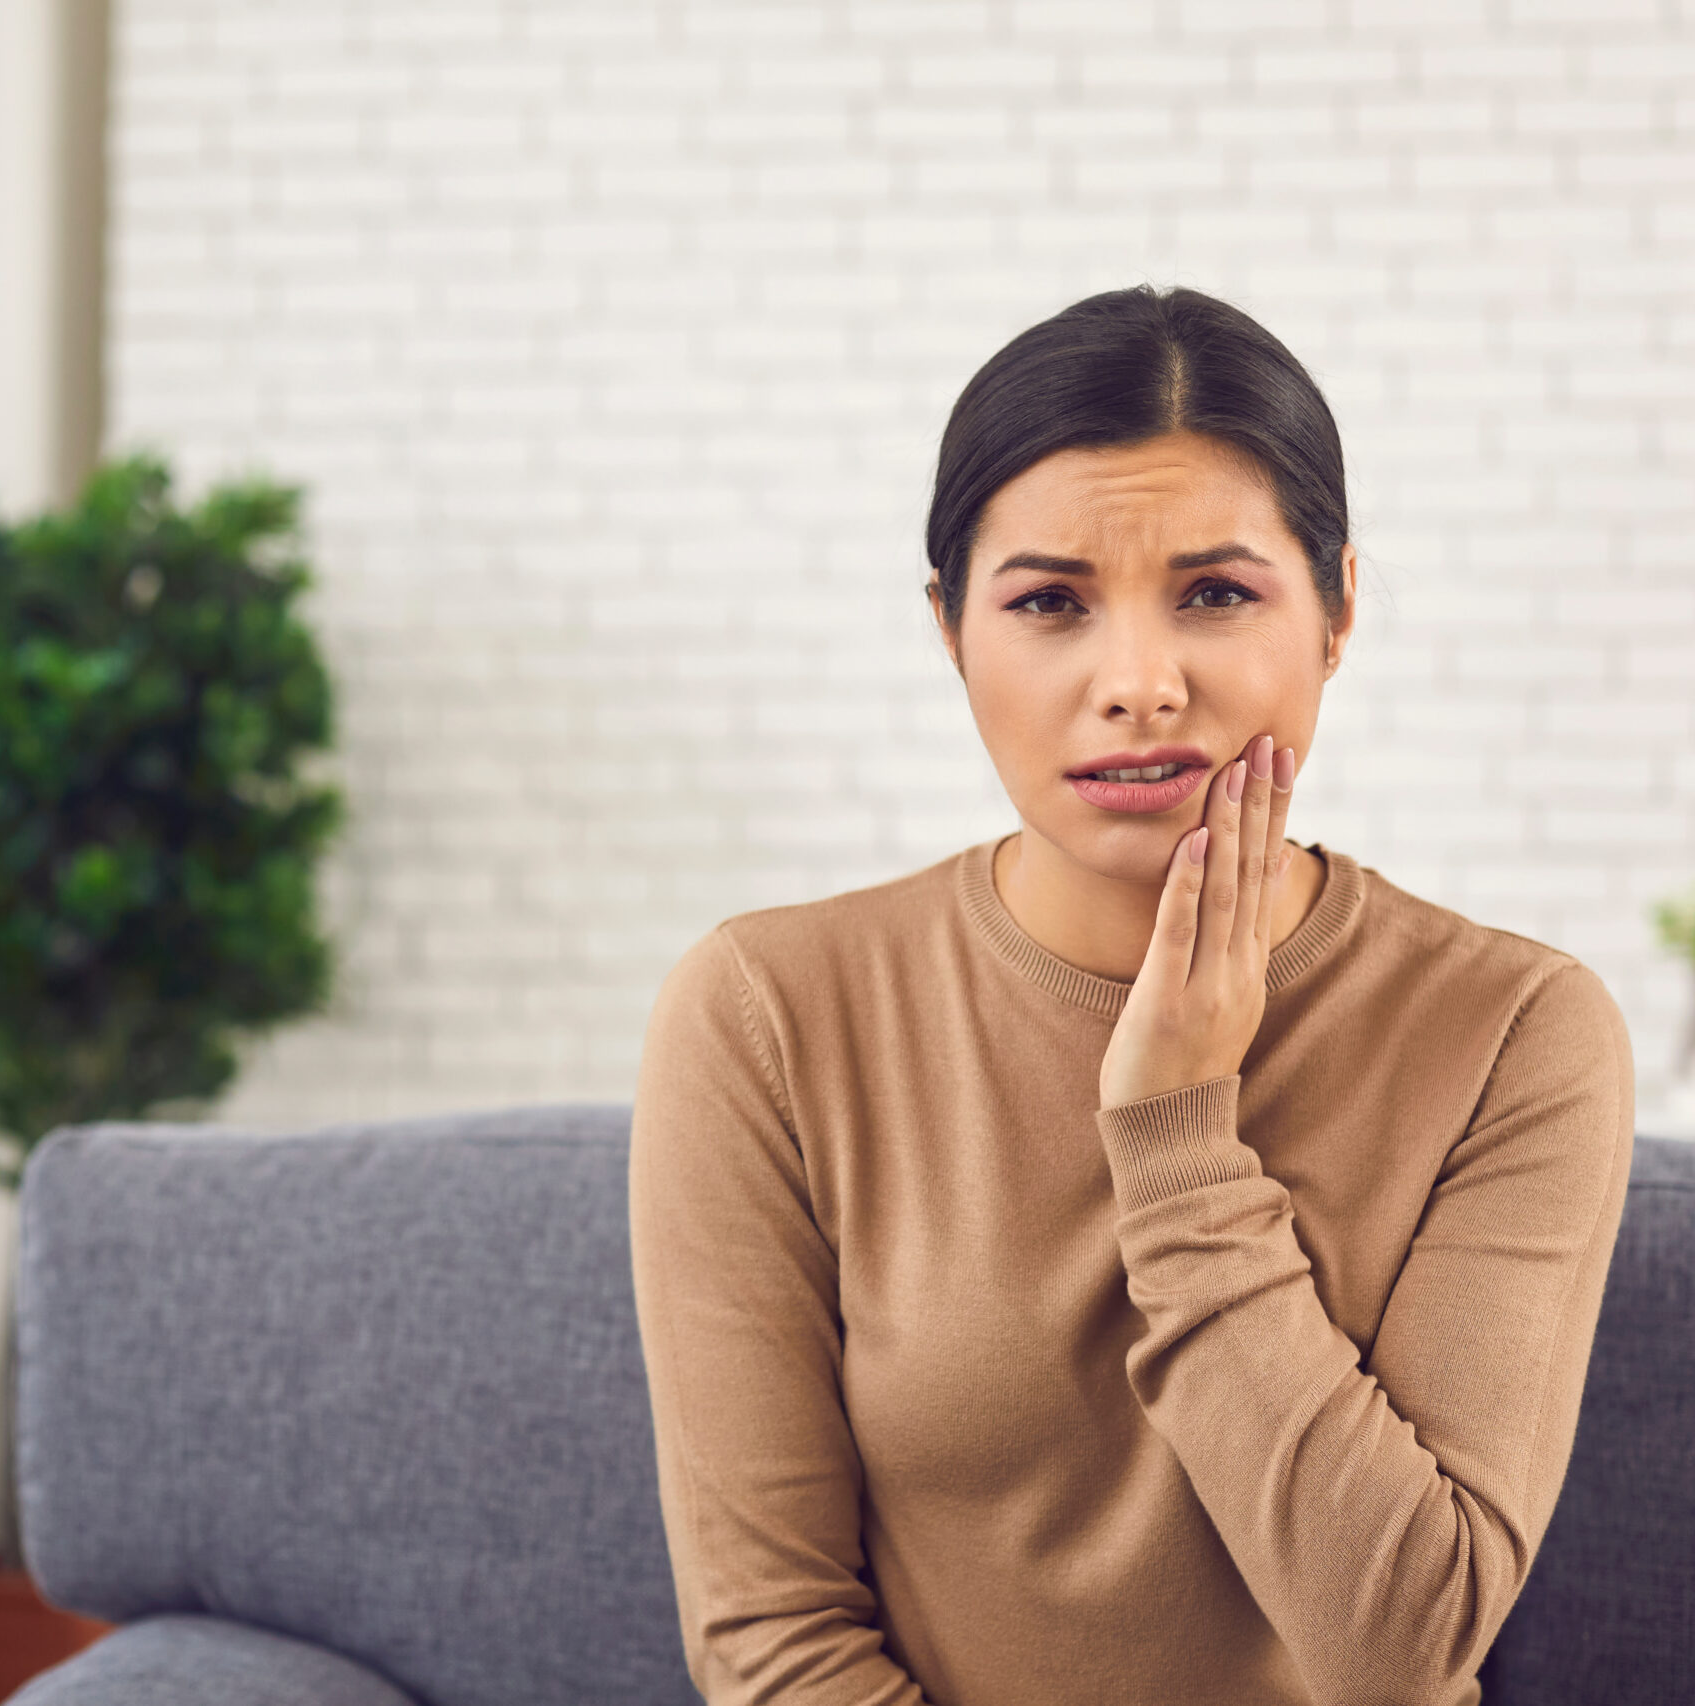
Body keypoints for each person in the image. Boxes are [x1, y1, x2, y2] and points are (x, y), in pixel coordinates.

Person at [628, 285, 1635, 1706]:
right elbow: (772, 1645)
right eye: (1048, 603)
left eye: (1217, 594)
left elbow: (1401, 1648)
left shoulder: (1517, 1032)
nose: (1139, 684)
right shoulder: (767, 1014)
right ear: (951, 631)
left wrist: (1176, 1136)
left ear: (1339, 610)